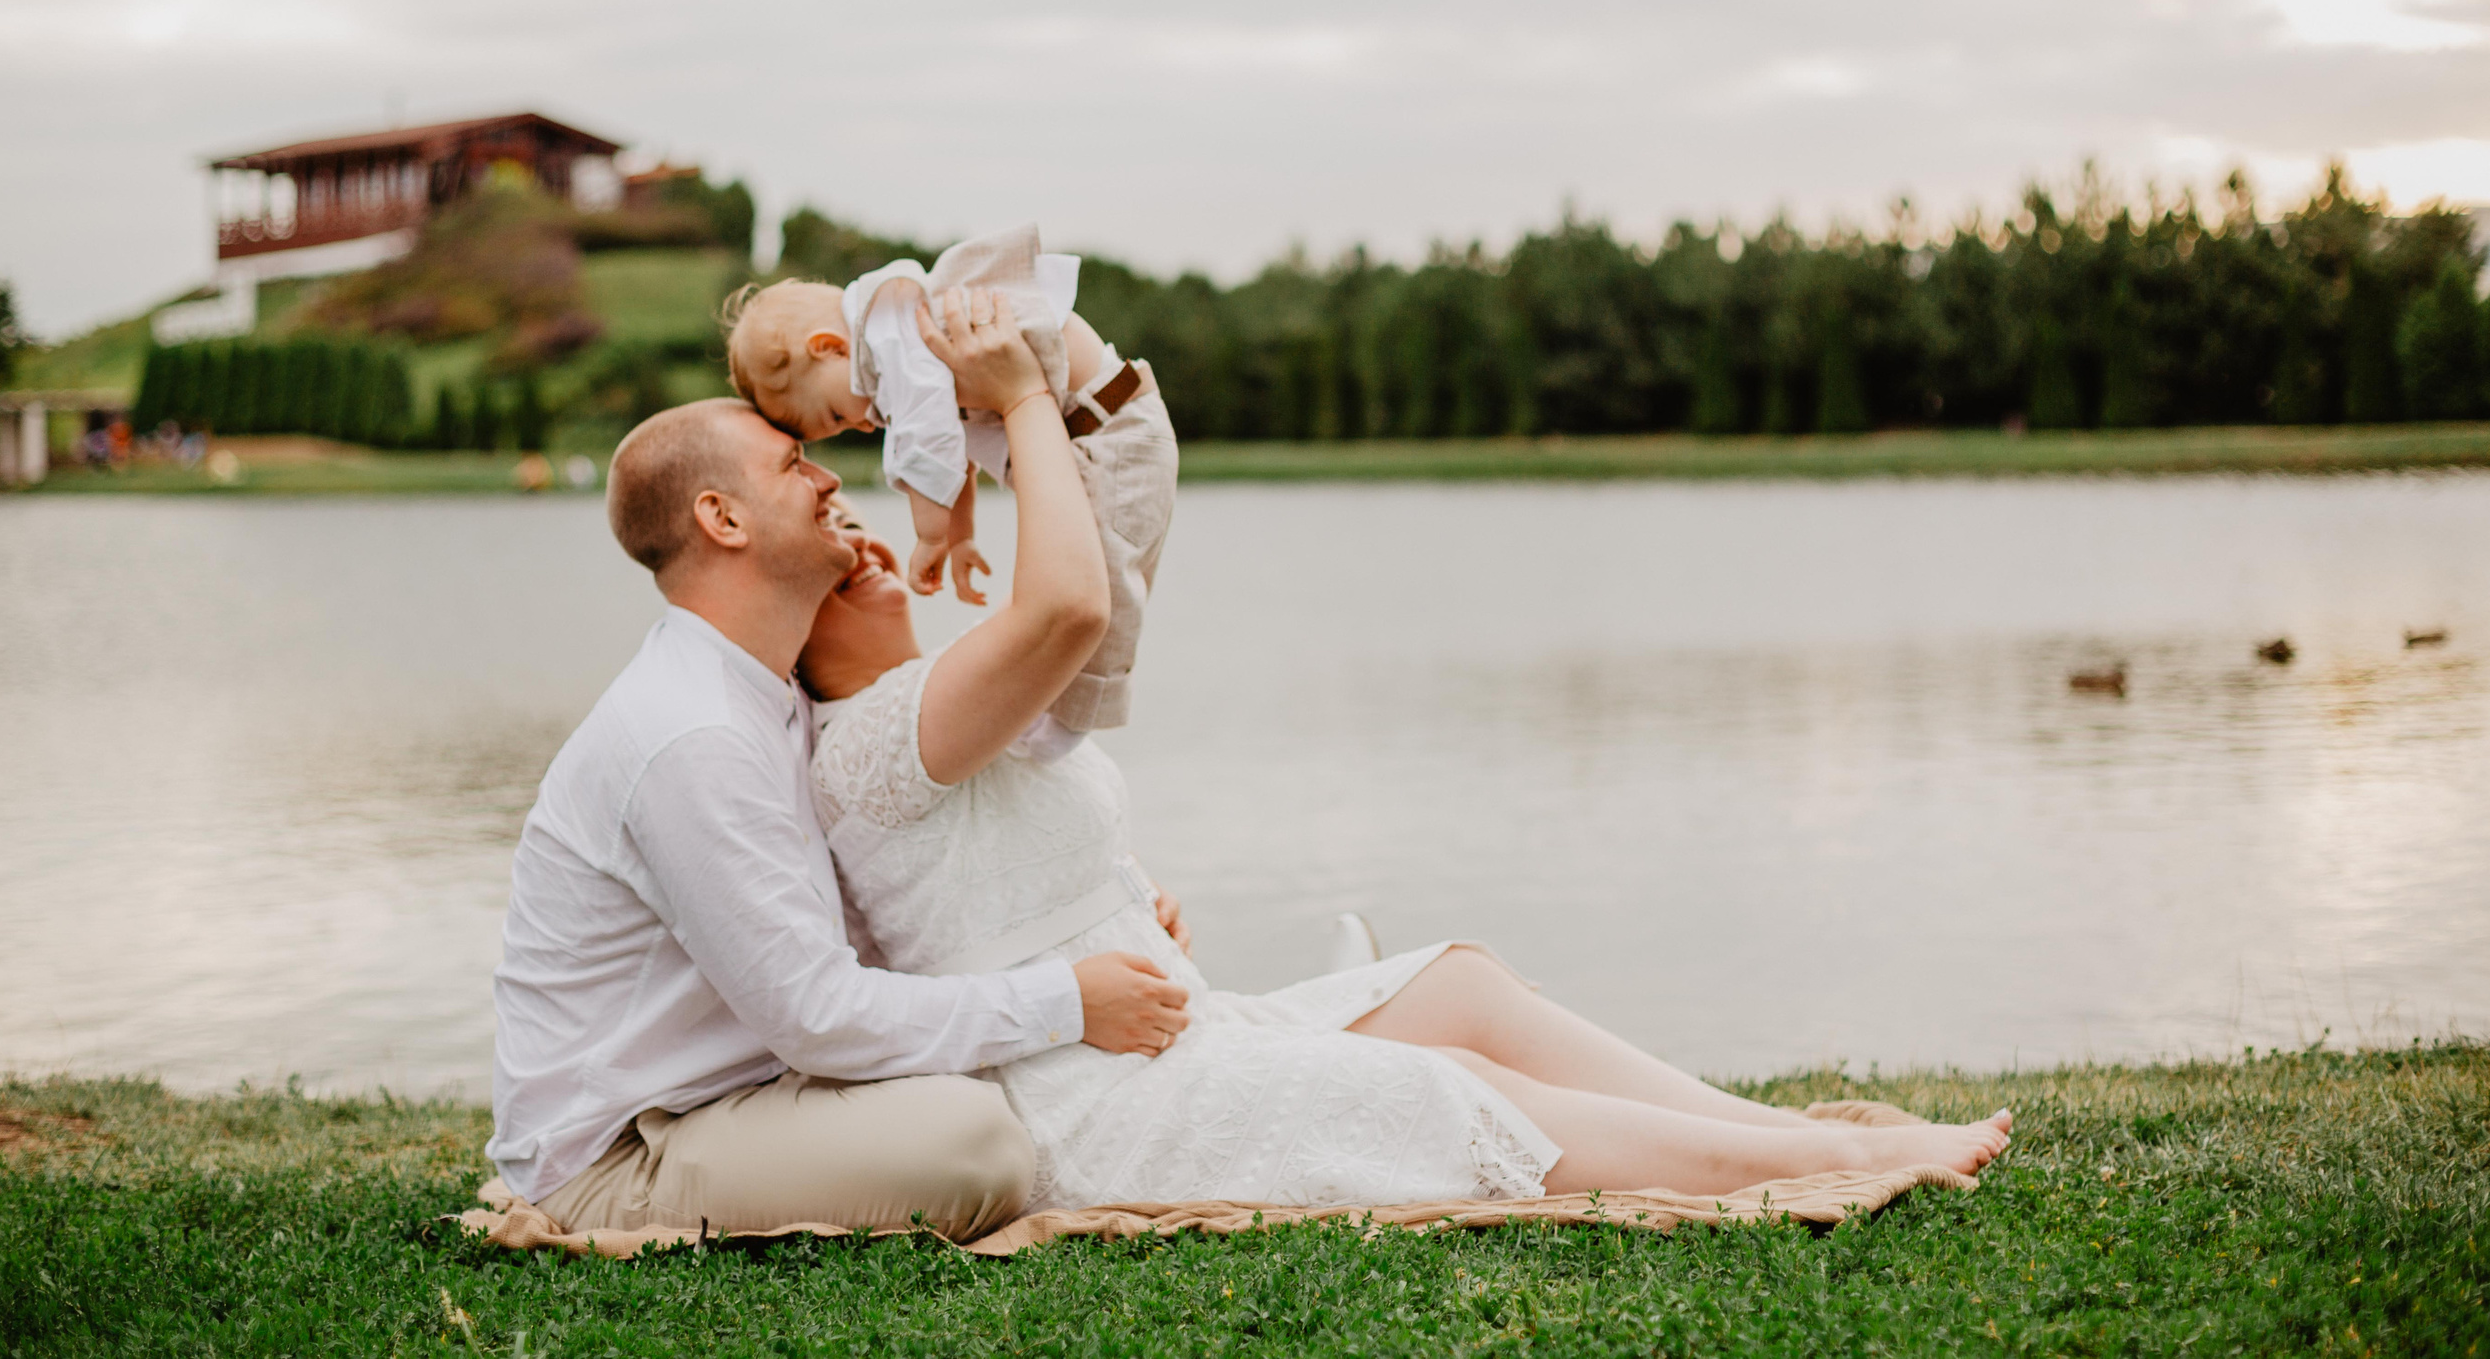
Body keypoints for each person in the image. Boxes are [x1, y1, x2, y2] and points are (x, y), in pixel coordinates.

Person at [806, 287, 2014, 1211]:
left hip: (1169, 1029)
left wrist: (1066, 363)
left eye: (859, 520)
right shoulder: (868, 741)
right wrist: (1019, 401)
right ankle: (1820, 1160)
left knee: (1454, 983)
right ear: (796, 641)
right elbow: (1065, 609)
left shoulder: (942, 694)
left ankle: (1766, 1130)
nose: (862, 537)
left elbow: (1108, 566)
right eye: (834, 545)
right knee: (1448, 1092)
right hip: (1098, 1103)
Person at [483, 395, 1190, 1242]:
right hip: (624, 1153)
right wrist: (1066, 999)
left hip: (753, 1097)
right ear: (722, 517)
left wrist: (1097, 923)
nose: (827, 478)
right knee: (981, 1141)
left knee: (1009, 1088)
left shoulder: (770, 696)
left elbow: (863, 923)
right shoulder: (690, 732)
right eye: (792, 464)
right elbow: (816, 1011)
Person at [722, 222, 1174, 736]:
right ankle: (1055, 706)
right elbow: (953, 450)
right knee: (1098, 576)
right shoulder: (897, 337)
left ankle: (1071, 724)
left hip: (1111, 433)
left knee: (1107, 582)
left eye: (835, 415)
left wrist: (930, 536)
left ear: (830, 347)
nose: (862, 423)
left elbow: (928, 441)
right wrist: (961, 537)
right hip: (1102, 432)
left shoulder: (893, 341)